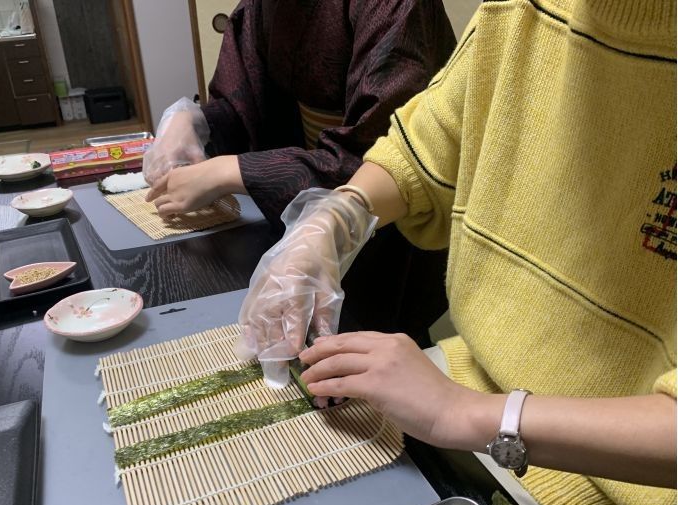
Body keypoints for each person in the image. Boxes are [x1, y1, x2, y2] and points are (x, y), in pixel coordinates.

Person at [235, 0, 677, 505]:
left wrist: (470, 415)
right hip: (467, 407)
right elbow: (424, 142)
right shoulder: (521, 12)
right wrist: (336, 217)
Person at [142, 0, 457, 345]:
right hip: (304, 210)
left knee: (385, 352)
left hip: (386, 224)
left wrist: (231, 170)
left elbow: (381, 155)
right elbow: (245, 104)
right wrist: (195, 121)